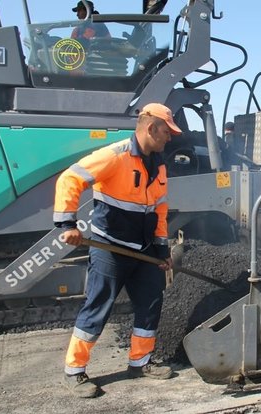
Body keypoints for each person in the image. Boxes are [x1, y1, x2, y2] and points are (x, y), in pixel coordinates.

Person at [53, 103, 182, 398]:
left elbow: (159, 209)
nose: (169, 137)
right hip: (110, 247)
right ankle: (74, 370)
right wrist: (68, 224)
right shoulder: (115, 156)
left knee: (150, 304)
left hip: (144, 250)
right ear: (151, 128)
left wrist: (161, 249)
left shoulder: (159, 165)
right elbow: (70, 179)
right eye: (167, 132)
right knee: (99, 305)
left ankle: (140, 362)